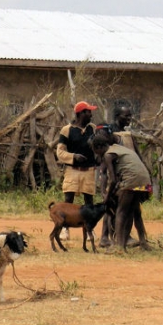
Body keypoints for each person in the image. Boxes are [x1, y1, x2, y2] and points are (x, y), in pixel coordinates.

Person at [96, 102, 149, 249]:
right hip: (119, 177)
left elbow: (136, 157)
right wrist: (105, 189)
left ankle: (126, 241)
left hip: (127, 178)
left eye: (130, 116)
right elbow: (105, 170)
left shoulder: (126, 136)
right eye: (126, 116)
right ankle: (111, 238)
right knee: (116, 209)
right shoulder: (110, 135)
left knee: (128, 210)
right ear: (117, 116)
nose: (129, 119)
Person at [55, 101, 98, 241]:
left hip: (89, 170)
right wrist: (73, 157)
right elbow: (60, 152)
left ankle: (90, 231)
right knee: (68, 200)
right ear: (80, 114)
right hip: (72, 169)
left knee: (89, 202)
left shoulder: (93, 129)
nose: (91, 114)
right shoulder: (67, 130)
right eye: (88, 112)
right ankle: (65, 230)